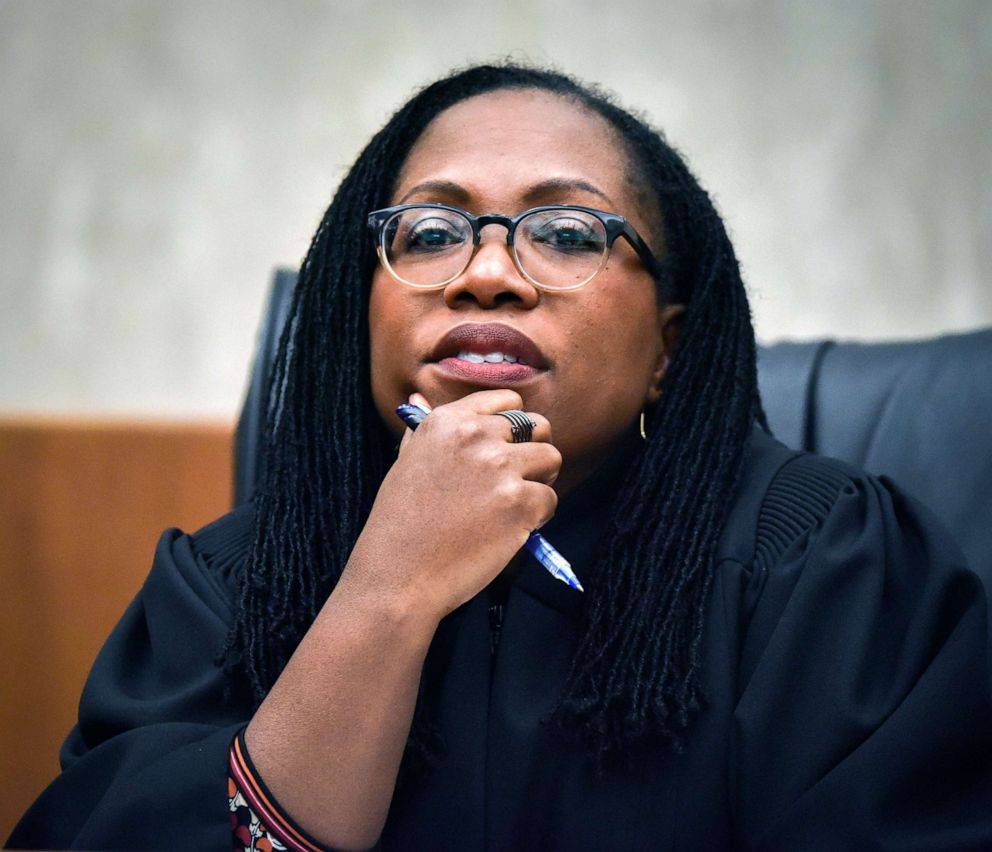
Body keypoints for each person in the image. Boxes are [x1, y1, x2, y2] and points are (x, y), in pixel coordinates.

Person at [9, 64, 991, 852]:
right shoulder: (226, 582)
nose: (484, 274)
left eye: (565, 232)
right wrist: (385, 590)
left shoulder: (828, 565)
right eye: (430, 231)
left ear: (667, 349)